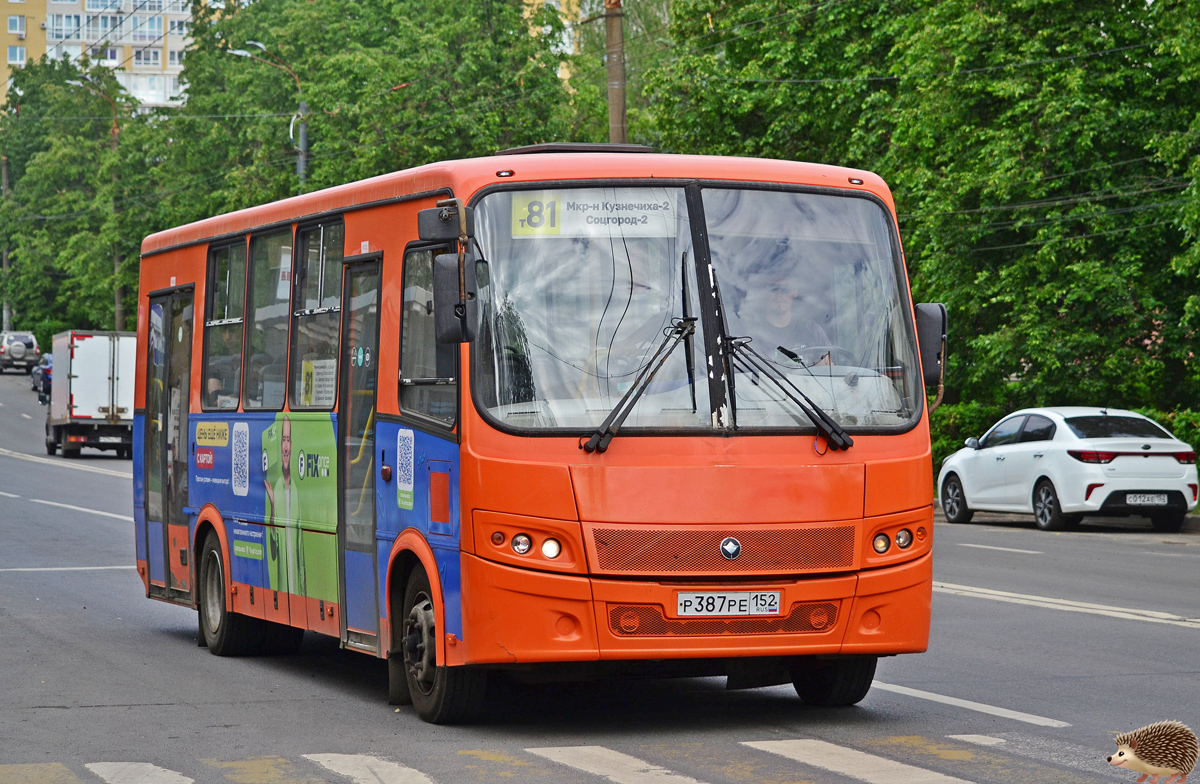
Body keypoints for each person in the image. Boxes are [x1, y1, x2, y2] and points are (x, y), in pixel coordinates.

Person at [757, 278, 834, 366]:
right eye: (773, 289)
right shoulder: (752, 334)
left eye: (785, 289)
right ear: (764, 293)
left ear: (794, 292)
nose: (779, 294)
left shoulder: (812, 330)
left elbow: (828, 369)